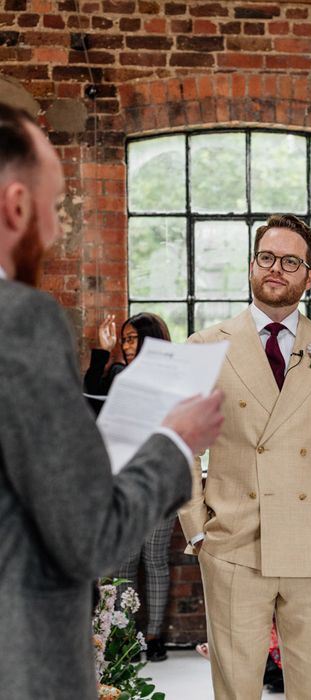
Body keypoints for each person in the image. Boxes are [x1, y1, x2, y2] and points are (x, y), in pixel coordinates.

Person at [0, 104, 224, 699]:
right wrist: (176, 442)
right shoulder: (19, 322)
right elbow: (87, 535)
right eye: (54, 206)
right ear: (16, 206)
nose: (53, 230)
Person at [177, 213, 311, 700]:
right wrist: (197, 525)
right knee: (236, 688)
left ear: (309, 277)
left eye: (291, 261)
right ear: (252, 266)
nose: (276, 268)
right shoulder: (204, 347)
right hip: (232, 541)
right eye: (267, 257)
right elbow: (182, 444)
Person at [83, 311, 179, 661]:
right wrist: (102, 352)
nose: (125, 345)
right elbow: (89, 398)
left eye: (132, 338)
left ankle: (153, 637)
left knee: (154, 560)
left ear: (151, 340)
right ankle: (123, 637)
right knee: (123, 562)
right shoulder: (118, 375)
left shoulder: (171, 380)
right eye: (123, 339)